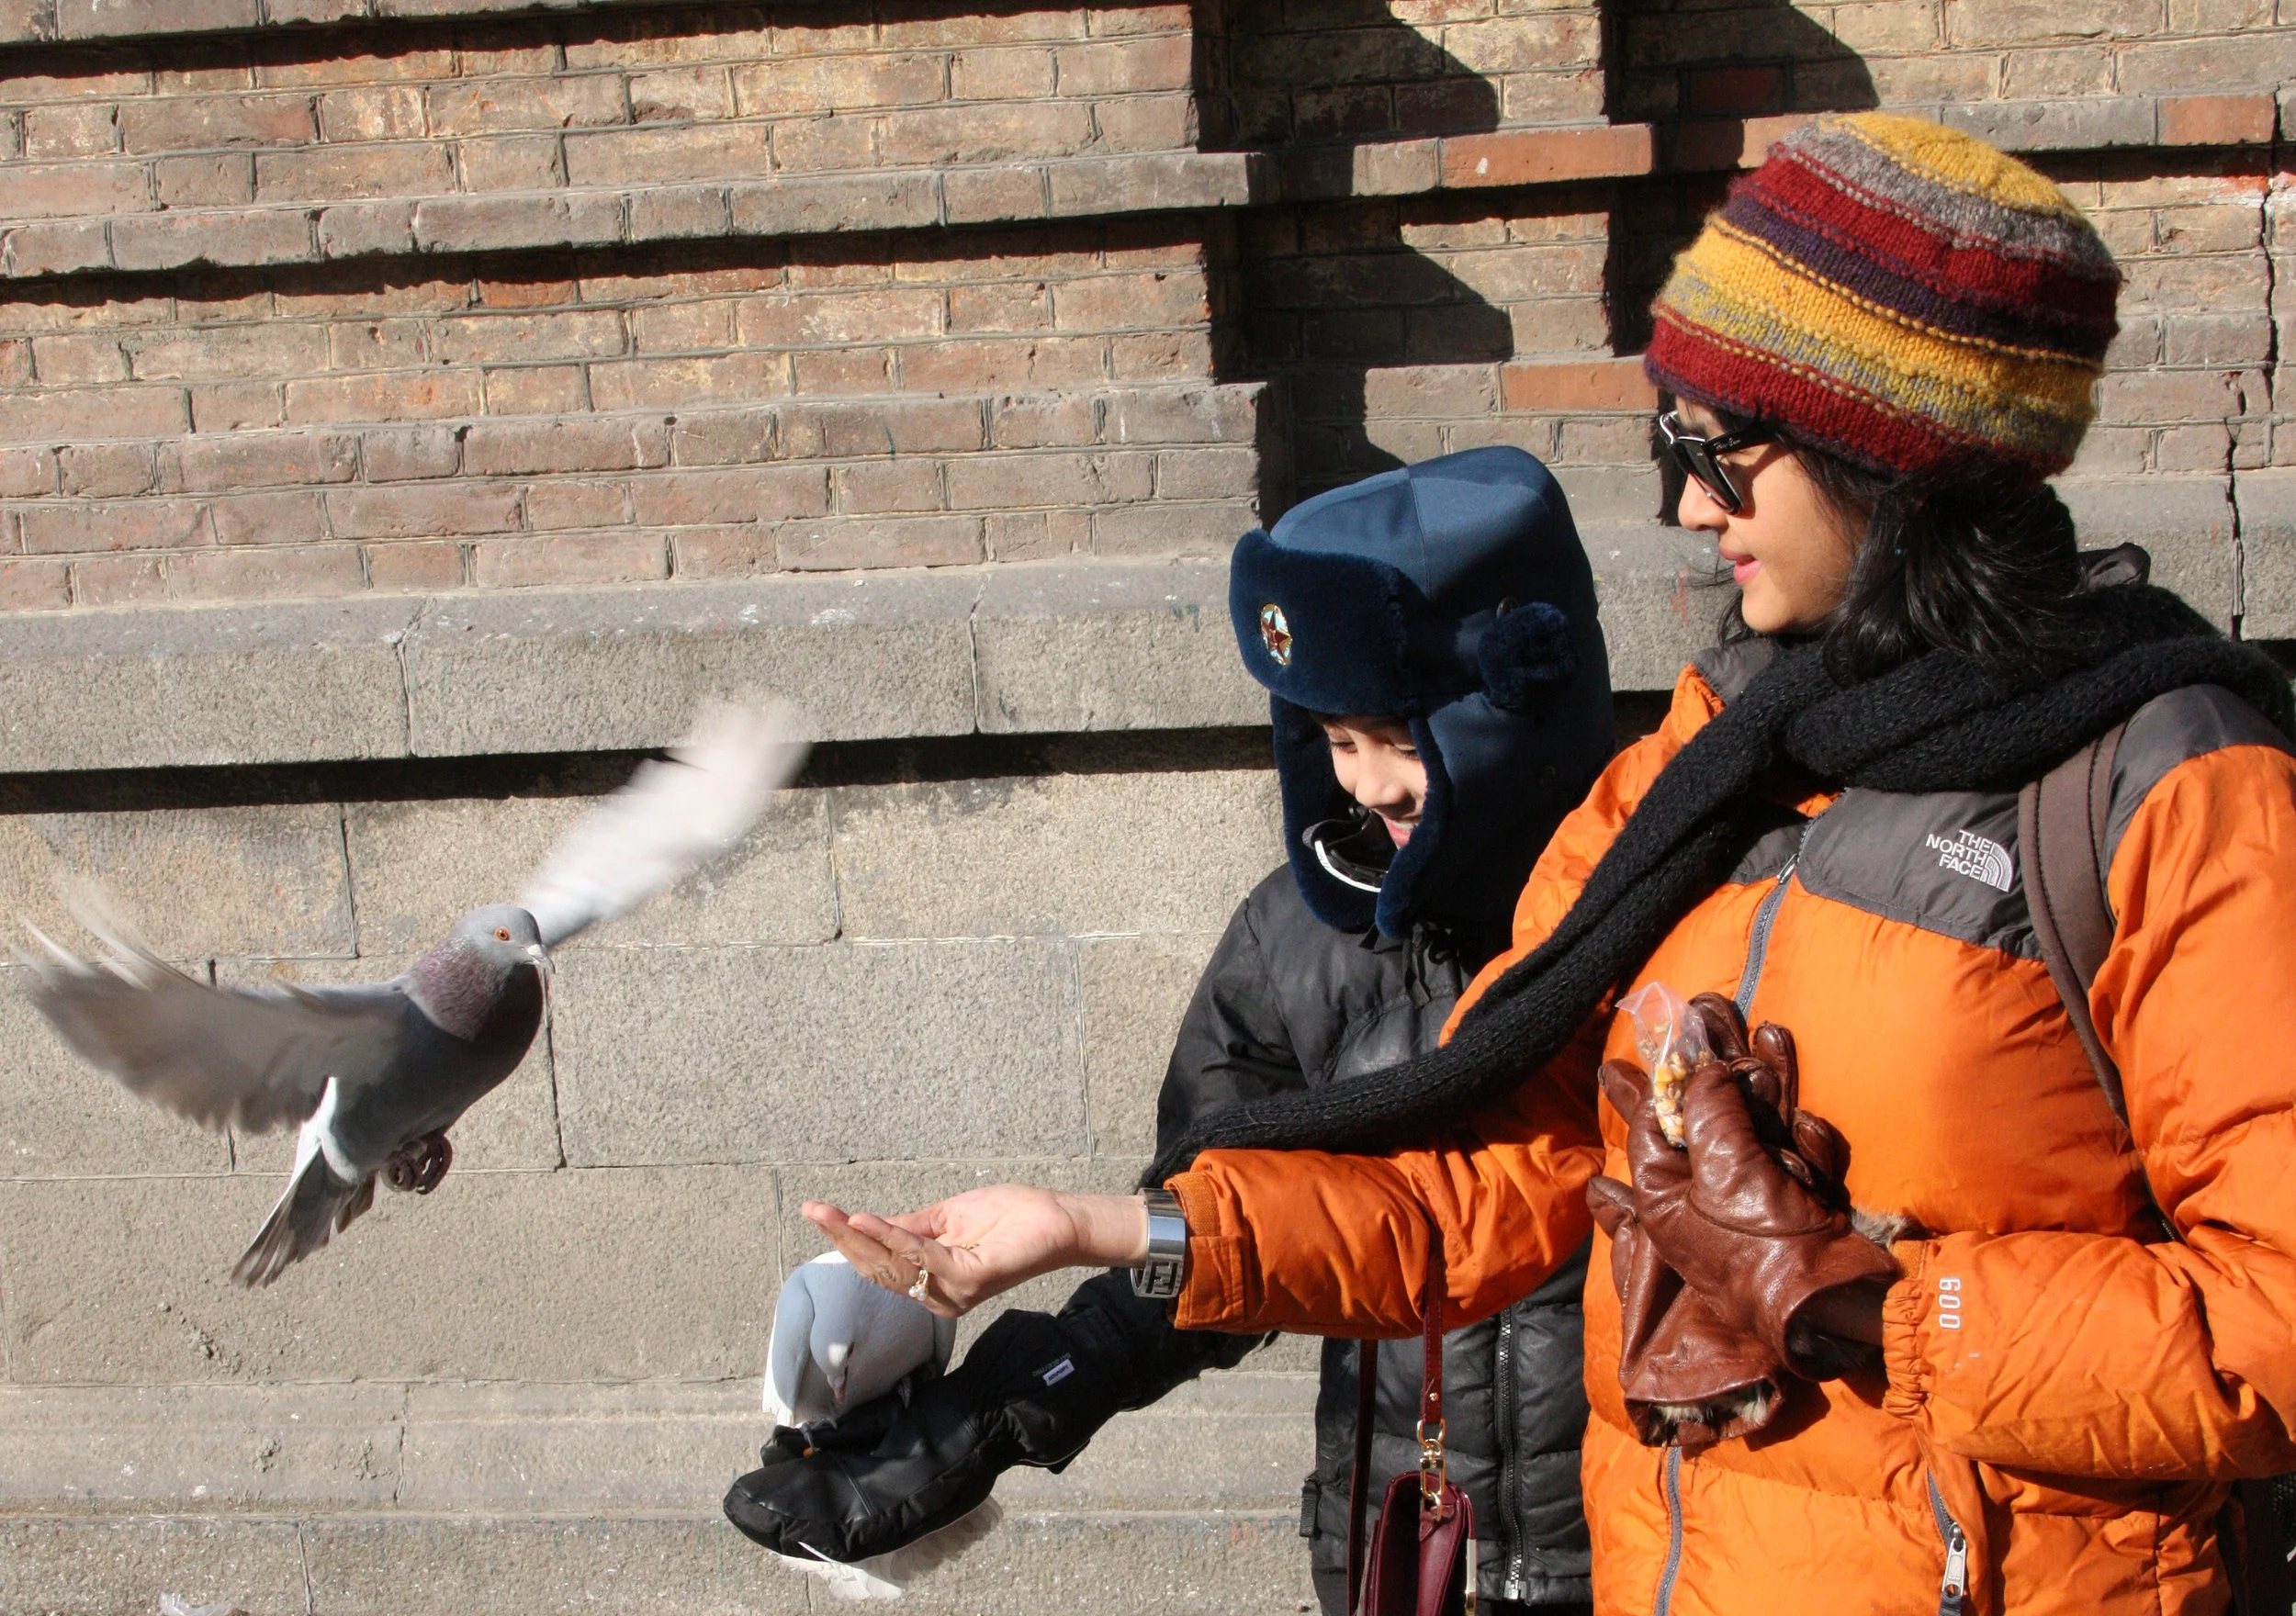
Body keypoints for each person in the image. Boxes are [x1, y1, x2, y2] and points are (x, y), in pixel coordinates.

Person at [802, 111, 2296, 1616]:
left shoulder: (2172, 782)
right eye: (1676, 444)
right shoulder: (1711, 767)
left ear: (1896, 455)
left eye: (1727, 449)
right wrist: (1101, 1227)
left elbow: (2280, 1321)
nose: (1689, 504)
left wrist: (1869, 1304)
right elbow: (1489, 1187)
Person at [725, 444, 1617, 1616]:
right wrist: (980, 1420)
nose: (1369, 787)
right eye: (1336, 742)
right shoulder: (1292, 936)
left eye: (1400, 738)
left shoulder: (1662, 907)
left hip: (1634, 1549)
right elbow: (1203, 1232)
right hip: (1396, 1542)